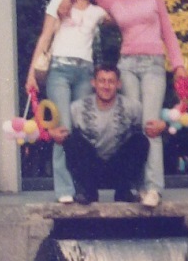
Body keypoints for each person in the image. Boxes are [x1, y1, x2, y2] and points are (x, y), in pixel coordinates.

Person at [59, 0, 187, 208]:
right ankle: (134, 186)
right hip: (126, 65)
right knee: (132, 126)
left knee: (151, 126)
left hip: (153, 65)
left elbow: (168, 31)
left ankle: (153, 188)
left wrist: (179, 65)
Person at [25, 0, 108, 203]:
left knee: (82, 129)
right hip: (59, 70)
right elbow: (45, 37)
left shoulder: (98, 11)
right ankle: (64, 190)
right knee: (63, 130)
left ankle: (84, 187)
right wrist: (31, 74)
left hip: (85, 72)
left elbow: (121, 16)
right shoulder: (58, 3)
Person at [53, 64, 165, 205]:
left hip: (118, 169)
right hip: (92, 169)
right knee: (72, 141)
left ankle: (123, 192)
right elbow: (56, 128)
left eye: (111, 81)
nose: (106, 86)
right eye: (102, 81)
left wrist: (164, 124)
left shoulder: (132, 106)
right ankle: (88, 192)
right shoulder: (77, 108)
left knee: (140, 140)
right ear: (93, 83)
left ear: (118, 84)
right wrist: (50, 132)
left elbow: (152, 123)